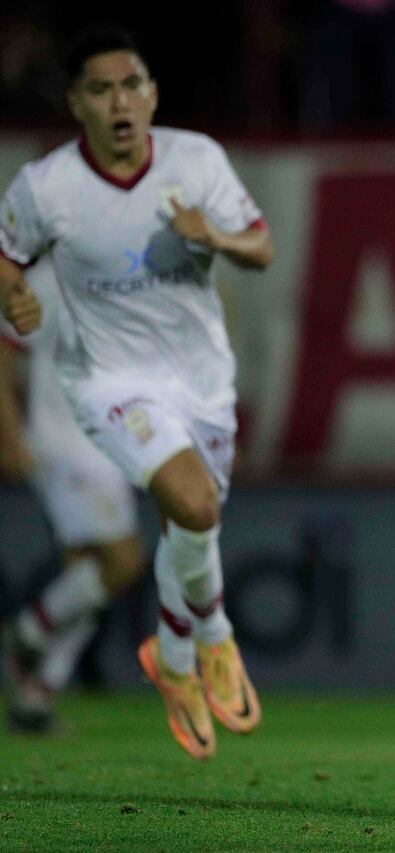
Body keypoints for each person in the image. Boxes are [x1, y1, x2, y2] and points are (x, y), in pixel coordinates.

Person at [0, 28, 273, 760]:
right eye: (100, 89)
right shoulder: (48, 192)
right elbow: (4, 266)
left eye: (132, 85)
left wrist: (209, 233)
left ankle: (171, 659)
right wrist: (13, 297)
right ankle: (207, 636)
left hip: (201, 382)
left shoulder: (195, 161)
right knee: (173, 519)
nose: (120, 101)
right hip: (102, 395)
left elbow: (261, 246)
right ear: (76, 104)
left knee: (190, 528)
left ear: (152, 94)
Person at [0, 260, 147, 734]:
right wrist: (9, 435)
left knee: (87, 573)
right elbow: (5, 348)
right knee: (123, 562)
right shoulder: (51, 279)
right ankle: (31, 630)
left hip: (107, 448)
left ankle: (34, 695)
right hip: (64, 445)